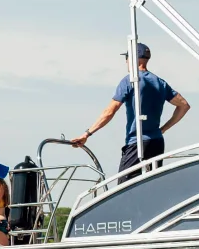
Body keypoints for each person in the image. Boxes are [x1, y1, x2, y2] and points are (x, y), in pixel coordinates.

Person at [77, 43, 191, 175]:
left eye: (127, 57)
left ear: (133, 58)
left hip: (137, 144)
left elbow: (109, 112)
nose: (126, 61)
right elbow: (184, 105)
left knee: (125, 185)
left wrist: (87, 134)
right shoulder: (160, 82)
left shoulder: (129, 81)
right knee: (151, 183)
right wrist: (163, 129)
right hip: (156, 143)